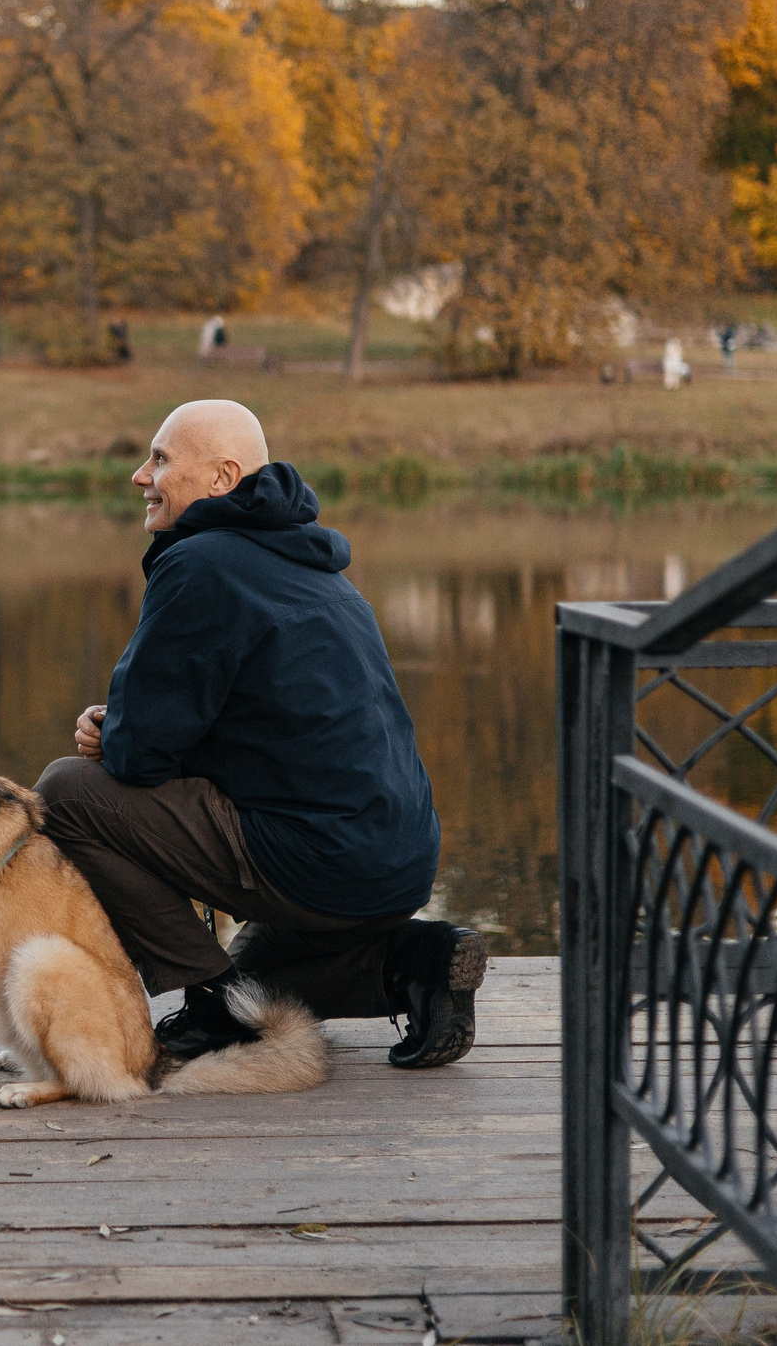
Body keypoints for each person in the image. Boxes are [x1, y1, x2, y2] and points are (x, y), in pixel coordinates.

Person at [35, 400, 482, 1068]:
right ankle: (417, 962)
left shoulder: (200, 564)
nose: (140, 475)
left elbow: (138, 756)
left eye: (160, 459)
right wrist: (133, 728)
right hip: (400, 860)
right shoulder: (312, 563)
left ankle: (210, 1004)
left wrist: (111, 731)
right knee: (256, 983)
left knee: (65, 792)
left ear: (222, 478)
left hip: (312, 856)